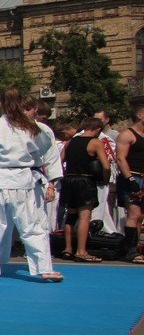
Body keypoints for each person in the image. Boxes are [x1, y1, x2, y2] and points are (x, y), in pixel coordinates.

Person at [0, 89, 63, 283]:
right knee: (31, 227)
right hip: (21, 179)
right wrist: (32, 157)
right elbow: (45, 147)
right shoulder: (30, 127)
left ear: (0, 105)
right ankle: (44, 269)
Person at [60, 118, 111, 262]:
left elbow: (61, 160)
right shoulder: (95, 142)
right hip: (85, 180)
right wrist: (104, 179)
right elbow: (106, 166)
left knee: (70, 216)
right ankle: (81, 251)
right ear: (97, 129)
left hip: (70, 180)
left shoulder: (71, 142)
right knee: (84, 217)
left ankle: (68, 248)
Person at [114, 102, 144, 263]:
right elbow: (120, 158)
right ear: (140, 115)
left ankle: (134, 248)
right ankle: (131, 251)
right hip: (132, 177)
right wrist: (130, 180)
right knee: (134, 214)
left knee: (140, 217)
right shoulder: (127, 134)